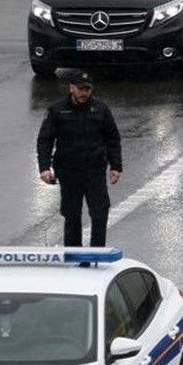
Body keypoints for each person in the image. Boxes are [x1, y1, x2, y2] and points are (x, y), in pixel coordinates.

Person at [36, 71, 122, 247]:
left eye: (87, 89)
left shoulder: (101, 109)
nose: (84, 93)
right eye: (81, 89)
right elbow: (45, 140)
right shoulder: (57, 110)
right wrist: (44, 168)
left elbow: (112, 139)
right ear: (71, 88)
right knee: (72, 216)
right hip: (69, 172)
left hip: (94, 171)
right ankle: (74, 256)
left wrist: (116, 166)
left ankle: (97, 254)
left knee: (100, 214)